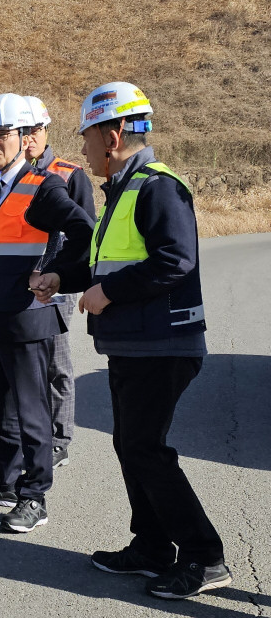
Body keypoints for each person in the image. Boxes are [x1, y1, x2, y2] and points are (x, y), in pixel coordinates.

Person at [30, 82, 229, 598]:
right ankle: (153, 547)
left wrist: (108, 293)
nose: (84, 147)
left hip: (163, 345)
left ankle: (205, 558)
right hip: (133, 345)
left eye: (87, 136)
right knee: (132, 446)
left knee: (144, 449)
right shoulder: (123, 189)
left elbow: (174, 260)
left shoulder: (158, 186)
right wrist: (62, 277)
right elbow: (106, 264)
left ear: (113, 135)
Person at [0, 93, 93, 533]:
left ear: (22, 137)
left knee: (32, 410)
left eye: (3, 134)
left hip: (29, 315)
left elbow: (84, 231)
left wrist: (55, 273)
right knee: (0, 408)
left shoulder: (43, 186)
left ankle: (34, 496)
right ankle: (4, 481)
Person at [0, 96, 95, 468]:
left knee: (56, 364)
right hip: (16, 291)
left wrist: (59, 273)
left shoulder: (66, 175)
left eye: (34, 130)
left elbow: (84, 233)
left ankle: (58, 439)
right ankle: (16, 440)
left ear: (44, 131)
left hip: (52, 286)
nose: (29, 137)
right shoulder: (3, 181)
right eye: (24, 130)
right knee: (15, 376)